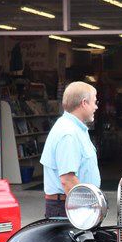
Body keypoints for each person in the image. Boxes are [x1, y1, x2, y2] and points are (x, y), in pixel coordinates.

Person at [40, 81, 100, 218]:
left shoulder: (75, 129)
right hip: (69, 208)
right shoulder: (68, 134)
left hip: (71, 204)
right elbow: (68, 180)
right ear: (84, 103)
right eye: (94, 102)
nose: (96, 107)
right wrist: (89, 208)